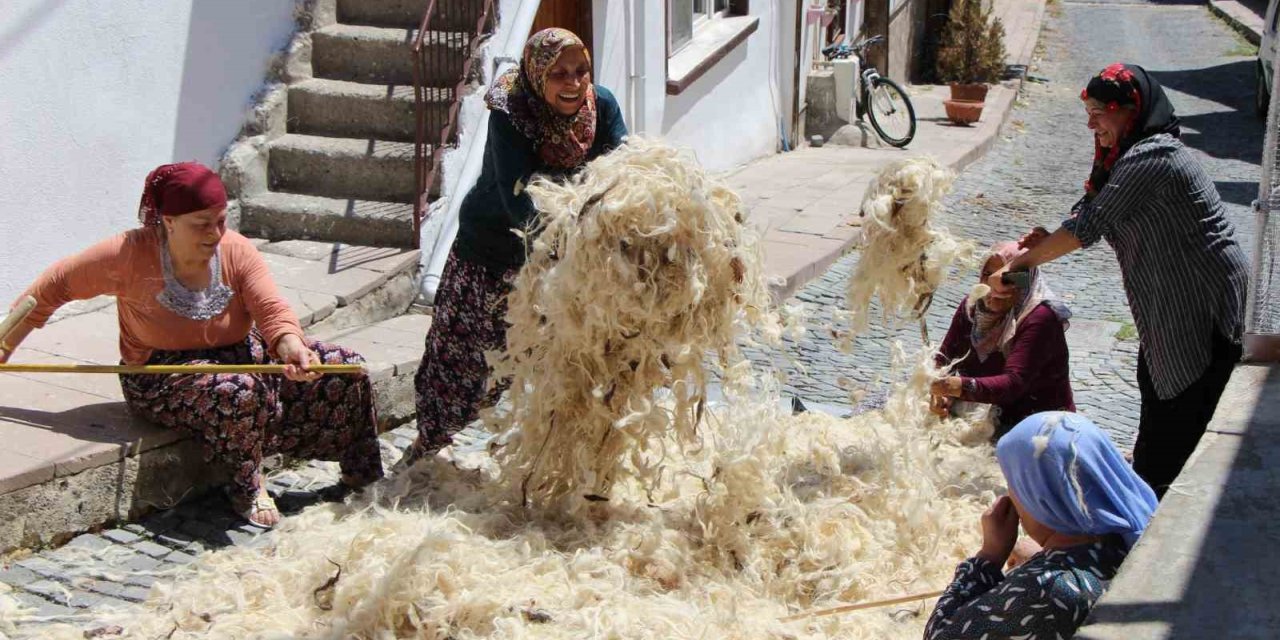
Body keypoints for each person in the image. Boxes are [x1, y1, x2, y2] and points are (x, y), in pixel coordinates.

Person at [0, 162, 383, 528]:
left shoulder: (236, 251)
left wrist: (290, 346)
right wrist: (4, 347)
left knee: (345, 366)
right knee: (240, 391)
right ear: (168, 222)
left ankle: (361, 472)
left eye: (220, 221)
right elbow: (53, 286)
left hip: (240, 354)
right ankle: (248, 484)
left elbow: (270, 307)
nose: (215, 234)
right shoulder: (127, 254)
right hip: (160, 374)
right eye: (202, 224)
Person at [987, 63, 1250, 497]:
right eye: (1087, 111)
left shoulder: (1153, 157)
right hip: (1167, 306)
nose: (1091, 123)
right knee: (1159, 386)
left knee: (1180, 409)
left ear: (1132, 111)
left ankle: (1157, 513)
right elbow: (1090, 209)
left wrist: (1020, 264)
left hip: (1199, 305)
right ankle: (1151, 486)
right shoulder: (1128, 157)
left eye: (1100, 112)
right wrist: (1047, 240)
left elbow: (1090, 224)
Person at [406, 28, 628, 462]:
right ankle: (426, 446)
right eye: (560, 73)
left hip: (564, 261)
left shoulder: (600, 105)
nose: (574, 82)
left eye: (580, 70)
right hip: (491, 254)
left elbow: (623, 170)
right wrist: (581, 235)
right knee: (462, 365)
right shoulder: (510, 113)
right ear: (537, 72)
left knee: (566, 368)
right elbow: (519, 201)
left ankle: (560, 462)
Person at [924, 411, 1158, 640]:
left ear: (1040, 497)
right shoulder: (1130, 535)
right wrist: (1043, 559)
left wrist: (988, 558)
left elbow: (942, 634)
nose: (1010, 494)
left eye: (1013, 484)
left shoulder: (1050, 588)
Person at [931, 241, 1075, 429]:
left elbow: (1014, 383)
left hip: (1039, 425)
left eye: (1008, 279)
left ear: (1026, 281)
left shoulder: (1039, 318)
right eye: (987, 275)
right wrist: (938, 394)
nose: (995, 287)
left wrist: (956, 386)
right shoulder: (971, 307)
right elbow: (944, 358)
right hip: (990, 419)